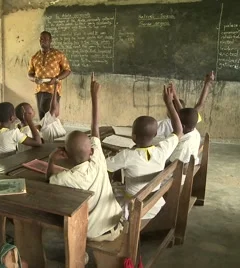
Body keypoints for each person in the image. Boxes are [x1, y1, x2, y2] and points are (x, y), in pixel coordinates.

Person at [47, 73, 123, 242]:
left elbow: (49, 182)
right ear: (92, 151)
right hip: (116, 222)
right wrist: (95, 96)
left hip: (94, 233)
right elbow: (95, 129)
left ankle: (79, 253)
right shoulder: (98, 159)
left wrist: (52, 161)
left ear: (65, 155)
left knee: (61, 214)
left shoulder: (66, 177)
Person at [106, 85, 183, 219]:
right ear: (156, 134)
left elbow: (103, 165)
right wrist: (169, 103)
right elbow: (179, 131)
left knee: (108, 192)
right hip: (155, 204)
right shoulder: (162, 150)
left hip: (134, 209)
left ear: (133, 136)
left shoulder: (126, 155)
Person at [28, 31, 71, 120]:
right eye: (41, 39)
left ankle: (52, 133)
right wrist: (34, 79)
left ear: (50, 40)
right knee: (42, 117)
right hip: (39, 91)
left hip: (53, 90)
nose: (43, 41)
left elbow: (67, 70)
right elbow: (29, 74)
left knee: (50, 117)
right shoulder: (35, 57)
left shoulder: (58, 54)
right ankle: (44, 133)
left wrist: (56, 78)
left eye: (46, 39)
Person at [157, 72, 214, 138]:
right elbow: (200, 104)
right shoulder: (189, 119)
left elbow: (149, 130)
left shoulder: (166, 123)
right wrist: (207, 84)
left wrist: (169, 102)